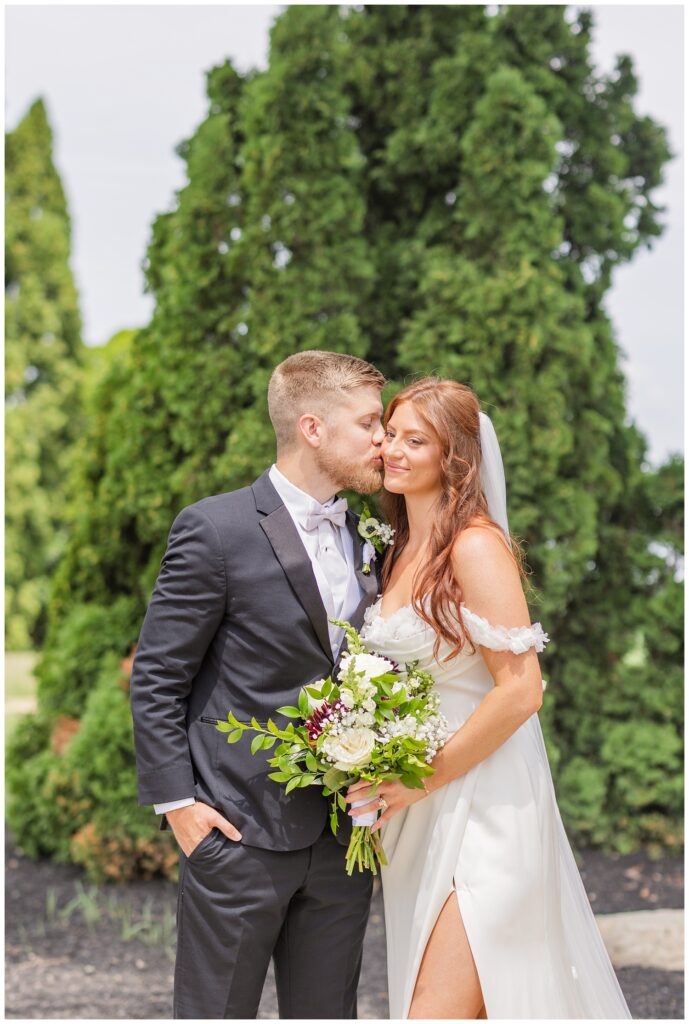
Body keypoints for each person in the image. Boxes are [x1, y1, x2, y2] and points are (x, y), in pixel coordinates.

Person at [348, 378, 632, 1020]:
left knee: (437, 1009)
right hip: (417, 814)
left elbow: (522, 690)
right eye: (391, 433)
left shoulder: (474, 546)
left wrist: (418, 777)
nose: (392, 449)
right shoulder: (393, 552)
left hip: (488, 805)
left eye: (415, 439)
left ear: (455, 459)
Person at [130, 350, 386, 1019]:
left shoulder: (370, 534)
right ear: (312, 428)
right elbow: (158, 674)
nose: (380, 439)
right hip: (235, 833)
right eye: (368, 423)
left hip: (342, 841)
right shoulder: (215, 529)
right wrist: (178, 807)